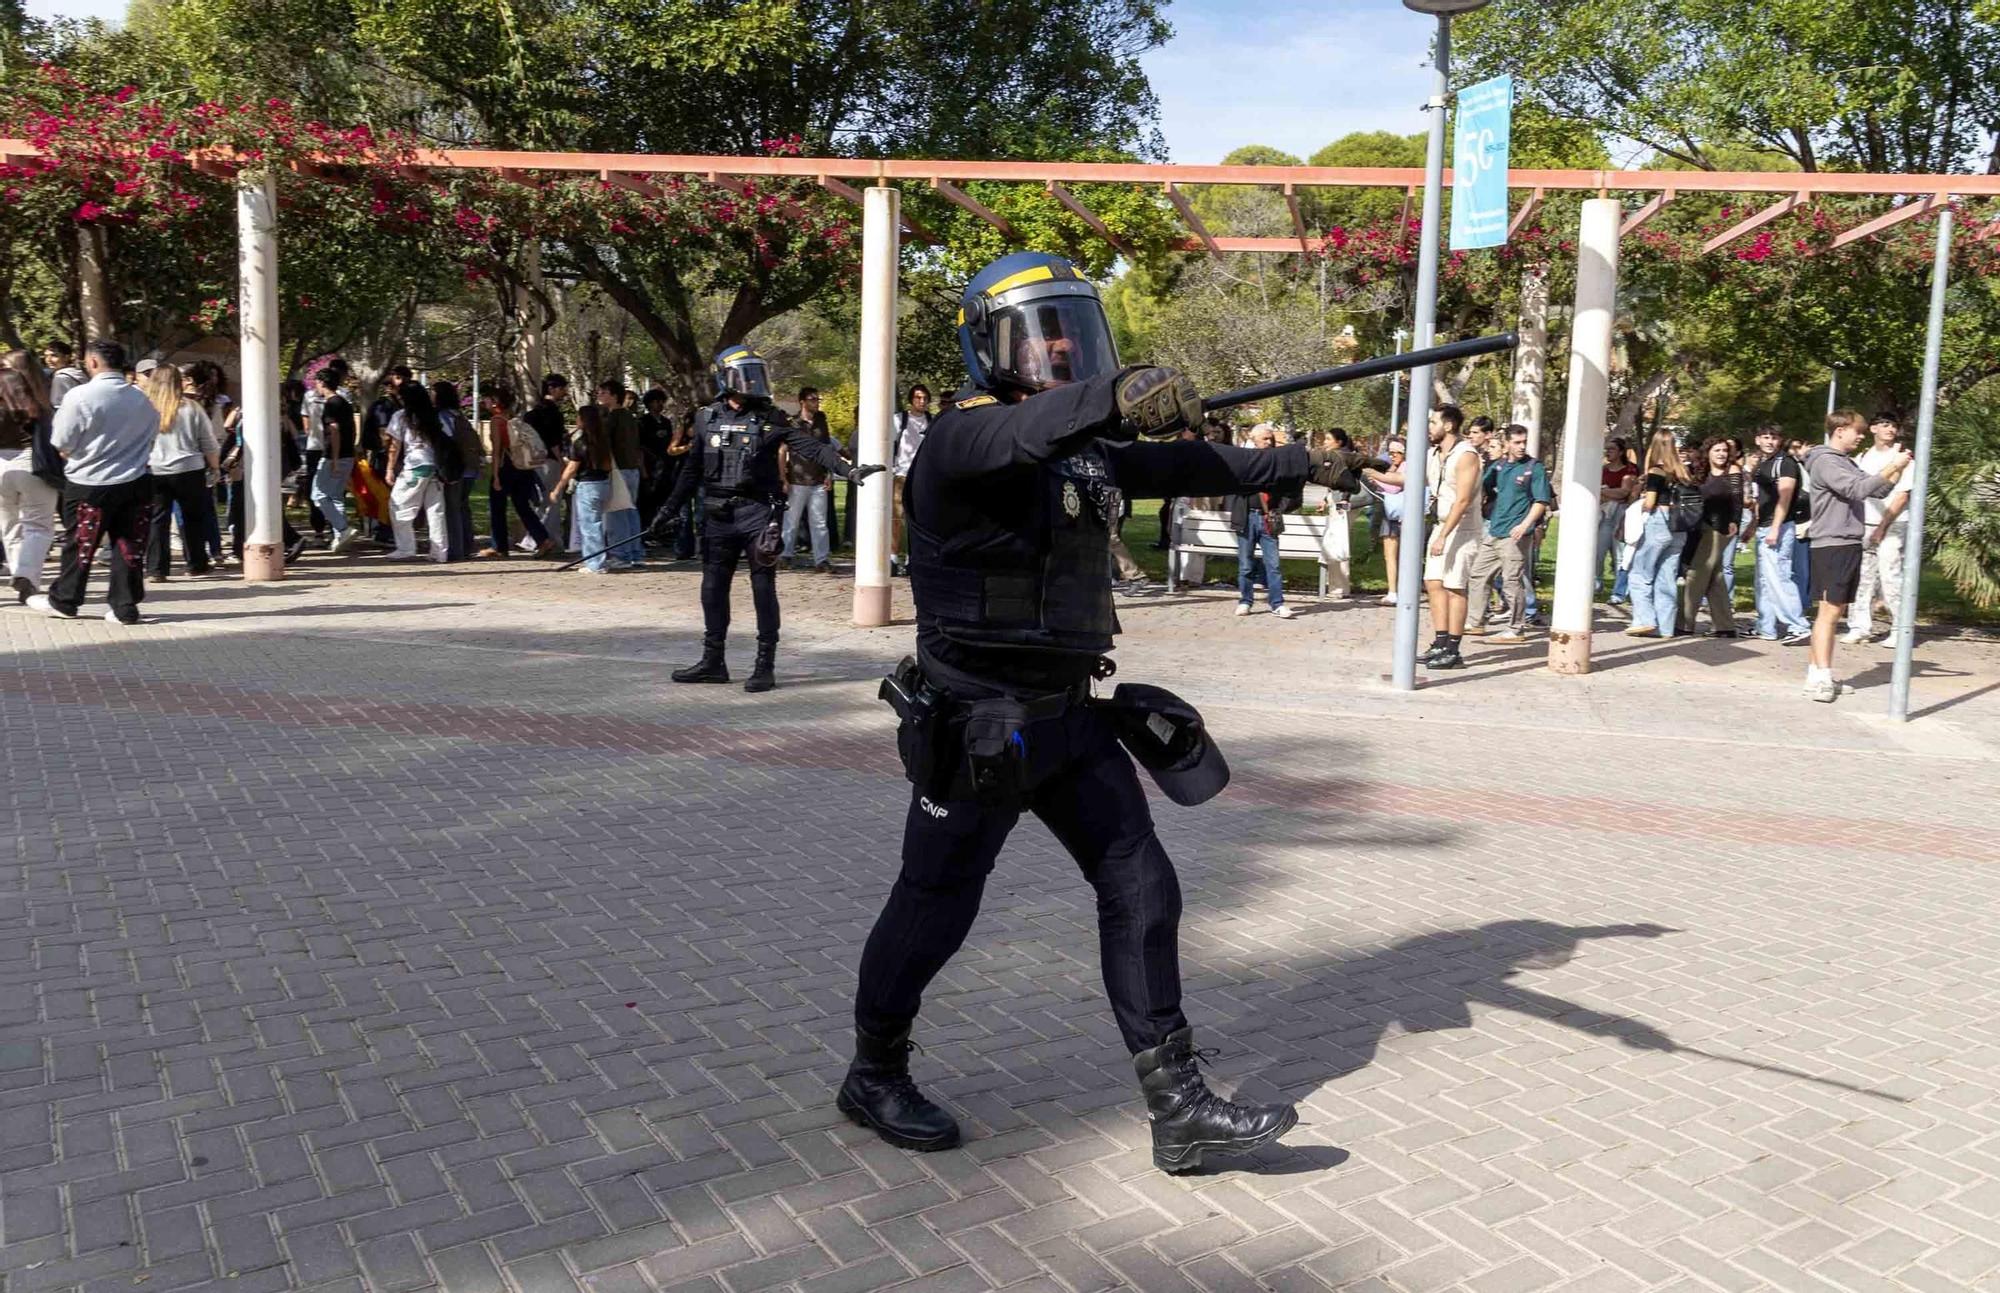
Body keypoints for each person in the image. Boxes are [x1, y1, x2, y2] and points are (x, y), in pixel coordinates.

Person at [842, 250, 1377, 1176]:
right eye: (1037, 332)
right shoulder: (960, 443)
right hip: (979, 725)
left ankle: (1181, 1109)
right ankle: (874, 1070)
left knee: (1143, 887)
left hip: (1068, 718)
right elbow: (1031, 432)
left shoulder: (1080, 449)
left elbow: (1186, 459)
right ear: (986, 348)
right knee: (937, 906)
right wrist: (1116, 394)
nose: (1058, 348)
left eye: (1072, 329)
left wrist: (1307, 465)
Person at [664, 346, 880, 693]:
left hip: (757, 514)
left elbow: (811, 447)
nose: (752, 383)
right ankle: (713, 661)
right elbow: (691, 471)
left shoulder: (772, 418)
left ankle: (765, 665)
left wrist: (847, 469)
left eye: (756, 374)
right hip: (718, 515)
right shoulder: (705, 418)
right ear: (725, 379)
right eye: (744, 375)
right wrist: (668, 511)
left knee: (763, 588)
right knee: (712, 589)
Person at [28, 340, 158, 624]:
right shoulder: (142, 398)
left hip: (89, 482)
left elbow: (61, 441)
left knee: (81, 544)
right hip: (135, 479)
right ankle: (125, 607)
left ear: (93, 362)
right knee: (129, 546)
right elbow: (151, 435)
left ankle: (65, 599)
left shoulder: (80, 396)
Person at [1802, 410, 1911, 702]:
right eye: (1857, 431)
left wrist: (1898, 467)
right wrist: (1891, 466)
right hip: (1833, 542)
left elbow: (1880, 488)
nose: (1861, 436)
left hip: (1846, 541)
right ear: (1840, 430)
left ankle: (1815, 676)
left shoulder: (1846, 462)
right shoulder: (1826, 461)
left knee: (1830, 611)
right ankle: (1823, 678)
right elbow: (1857, 488)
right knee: (1830, 613)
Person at [1463, 423, 1551, 645]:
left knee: (1512, 581)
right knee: (1477, 574)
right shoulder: (1500, 466)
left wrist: (1525, 525)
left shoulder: (1534, 468)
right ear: (1507, 444)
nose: (1521, 447)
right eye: (1517, 442)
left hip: (1515, 534)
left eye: (1524, 442)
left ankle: (1516, 628)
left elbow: (1541, 501)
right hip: (1495, 530)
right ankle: (1476, 622)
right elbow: (1482, 486)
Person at [140, 363, 220, 581]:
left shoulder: (144, 409)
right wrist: (215, 466)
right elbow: (208, 442)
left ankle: (156, 569)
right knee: (193, 518)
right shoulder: (192, 408)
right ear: (178, 382)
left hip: (154, 469)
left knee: (157, 520)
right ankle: (196, 564)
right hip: (189, 469)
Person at [1419, 403, 1480, 670]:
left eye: (1433, 422)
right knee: (1433, 583)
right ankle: (1440, 642)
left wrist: (1444, 536)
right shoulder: (1434, 454)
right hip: (1441, 525)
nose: (1429, 427)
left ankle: (1454, 650)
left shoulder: (1466, 455)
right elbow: (1410, 479)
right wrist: (1369, 472)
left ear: (1448, 425)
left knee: (1455, 586)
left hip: (1462, 529)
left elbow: (1464, 499)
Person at [1845, 413, 1912, 645]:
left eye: (1893, 425)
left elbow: (1902, 495)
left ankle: (1900, 629)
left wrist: (1883, 527)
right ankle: (1859, 626)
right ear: (1873, 429)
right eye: (1885, 425)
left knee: (1890, 576)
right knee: (1863, 578)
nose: (1890, 429)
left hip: (1893, 524)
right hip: (1865, 522)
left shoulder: (1903, 457)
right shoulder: (1863, 457)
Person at [1623, 429, 1693, 639]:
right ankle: (1665, 627)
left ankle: (1644, 620)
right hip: (1679, 528)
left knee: (1640, 573)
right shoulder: (1683, 473)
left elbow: (1651, 502)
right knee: (1666, 577)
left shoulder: (1657, 471)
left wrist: (1640, 502)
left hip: (1658, 523)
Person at [0, 361, 59, 602]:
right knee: (39, 526)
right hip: (32, 464)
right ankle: (27, 574)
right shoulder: (39, 410)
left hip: (1, 466)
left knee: (9, 526)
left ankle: (18, 571)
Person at [479, 385, 558, 559]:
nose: (483, 401)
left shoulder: (496, 421)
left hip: (505, 467)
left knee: (497, 507)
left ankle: (499, 546)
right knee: (523, 506)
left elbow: (498, 450)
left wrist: (496, 477)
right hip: (523, 467)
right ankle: (543, 539)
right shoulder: (514, 420)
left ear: (495, 403)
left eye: (487, 399)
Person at [1749, 426, 1812, 644]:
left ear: (1780, 440)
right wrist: (1753, 525)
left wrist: (1776, 527)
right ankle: (1766, 626)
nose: (1769, 441)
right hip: (1764, 526)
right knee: (1764, 580)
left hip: (1780, 526)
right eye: (1765, 437)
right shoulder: (1763, 464)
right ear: (1758, 440)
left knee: (1779, 576)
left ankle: (1798, 625)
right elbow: (1761, 499)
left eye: (1774, 437)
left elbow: (1784, 497)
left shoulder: (1785, 463)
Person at [1229, 425, 1297, 618]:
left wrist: (1280, 508)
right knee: (1245, 564)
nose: (1269, 442)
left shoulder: (1278, 461)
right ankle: (1245, 600)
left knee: (1273, 564)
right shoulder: (1244, 460)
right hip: (1247, 516)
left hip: (1268, 517)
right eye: (1265, 439)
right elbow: (1236, 483)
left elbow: (1289, 489)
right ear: (1254, 439)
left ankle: (1277, 603)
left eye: (1271, 439)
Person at [1678, 436, 1741, 638]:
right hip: (1699, 526)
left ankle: (1683, 623)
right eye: (1717, 450)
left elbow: (1737, 499)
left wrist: (1735, 521)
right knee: (1715, 577)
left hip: (1721, 527)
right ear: (1708, 452)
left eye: (1724, 450)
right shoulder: (1700, 472)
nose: (1721, 454)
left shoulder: (1733, 470)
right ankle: (1725, 627)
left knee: (1697, 573)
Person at [545, 404, 619, 574]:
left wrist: (558, 488)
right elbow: (608, 465)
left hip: (588, 485)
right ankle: (598, 559)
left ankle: (595, 563)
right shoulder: (603, 441)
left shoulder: (581, 443)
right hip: (603, 483)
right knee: (598, 524)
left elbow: (571, 469)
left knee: (590, 525)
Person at [384, 382, 454, 562]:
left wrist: (390, 469)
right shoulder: (434, 416)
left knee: (398, 504)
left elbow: (394, 445)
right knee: (435, 510)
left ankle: (405, 547)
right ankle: (439, 552)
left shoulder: (401, 417)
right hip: (435, 466)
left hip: (415, 466)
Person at [779, 386, 835, 572]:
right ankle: (785, 555)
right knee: (791, 520)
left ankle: (821, 559)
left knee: (819, 523)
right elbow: (782, 451)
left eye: (818, 399)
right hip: (797, 479)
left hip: (818, 479)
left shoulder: (821, 421)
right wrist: (783, 478)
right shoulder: (792, 423)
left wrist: (829, 473)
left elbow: (826, 448)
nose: (816, 402)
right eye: (812, 399)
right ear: (802, 401)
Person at [311, 369, 362, 554]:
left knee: (318, 495)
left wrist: (333, 459)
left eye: (316, 382)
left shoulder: (332, 403)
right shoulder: (345, 403)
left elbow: (334, 430)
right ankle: (341, 537)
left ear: (322, 383)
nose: (315, 386)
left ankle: (342, 529)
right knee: (335, 496)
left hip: (334, 456)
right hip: (347, 455)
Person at [599, 379, 645, 564]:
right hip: (632, 470)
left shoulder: (612, 417)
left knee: (616, 514)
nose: (600, 395)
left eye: (603, 392)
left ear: (614, 396)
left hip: (618, 470)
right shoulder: (629, 417)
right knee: (630, 512)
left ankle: (620, 554)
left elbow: (605, 444)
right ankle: (635, 553)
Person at [435, 381, 480, 563]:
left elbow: (446, 443)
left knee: (452, 508)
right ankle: (467, 545)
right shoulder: (459, 415)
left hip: (456, 468)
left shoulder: (443, 417)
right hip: (470, 467)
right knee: (462, 507)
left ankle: (456, 549)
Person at [524, 374, 571, 547]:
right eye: (562, 388)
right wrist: (560, 460)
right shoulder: (553, 413)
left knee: (539, 500)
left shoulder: (532, 414)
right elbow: (553, 440)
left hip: (533, 460)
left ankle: (536, 538)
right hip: (550, 461)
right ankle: (549, 538)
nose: (564, 392)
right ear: (552, 389)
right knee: (552, 500)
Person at [890, 385, 931, 576]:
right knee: (897, 517)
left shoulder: (931, 421)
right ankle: (893, 557)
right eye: (918, 398)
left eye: (924, 398)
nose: (921, 401)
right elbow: (889, 442)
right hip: (902, 474)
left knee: (916, 520)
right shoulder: (900, 420)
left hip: (922, 475)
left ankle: (911, 558)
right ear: (911, 400)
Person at [1364, 439, 1406, 605]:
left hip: (1400, 515)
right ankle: (1394, 590)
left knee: (1399, 555)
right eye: (1390, 452)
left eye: (1397, 452)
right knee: (1390, 555)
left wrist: (1377, 479)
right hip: (1392, 514)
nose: (1393, 455)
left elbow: (1395, 486)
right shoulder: (1393, 467)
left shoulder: (1407, 466)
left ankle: (1397, 591)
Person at [1597, 436, 1638, 602]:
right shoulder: (1603, 470)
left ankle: (1619, 591)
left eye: (1612, 449)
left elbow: (1624, 493)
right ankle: (1596, 584)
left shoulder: (1629, 470)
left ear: (1621, 452)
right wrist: (1612, 492)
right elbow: (1616, 492)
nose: (1608, 452)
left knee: (1620, 553)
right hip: (1605, 514)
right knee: (1599, 551)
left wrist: (1603, 491)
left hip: (1622, 514)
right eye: (1607, 449)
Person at [635, 387, 674, 538]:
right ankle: (645, 532)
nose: (659, 404)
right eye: (655, 401)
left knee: (663, 500)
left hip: (665, 467)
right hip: (649, 466)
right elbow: (639, 446)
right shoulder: (642, 422)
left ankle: (663, 532)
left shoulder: (666, 422)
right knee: (646, 502)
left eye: (661, 401)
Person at [43, 341, 85, 410]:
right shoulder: (78, 373)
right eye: (46, 356)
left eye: (54, 355)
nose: (48, 360)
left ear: (66, 357)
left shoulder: (61, 378)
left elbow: (57, 405)